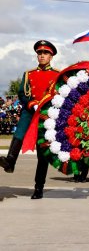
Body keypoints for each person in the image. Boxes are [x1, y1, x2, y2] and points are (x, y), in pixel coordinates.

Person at [0, 40, 59, 199]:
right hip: (29, 111)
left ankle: (39, 187)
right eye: (39, 53)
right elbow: (21, 93)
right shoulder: (29, 74)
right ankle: (10, 161)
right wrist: (31, 103)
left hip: (46, 115)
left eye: (45, 53)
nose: (42, 56)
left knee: (42, 153)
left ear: (51, 56)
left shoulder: (57, 75)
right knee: (19, 131)